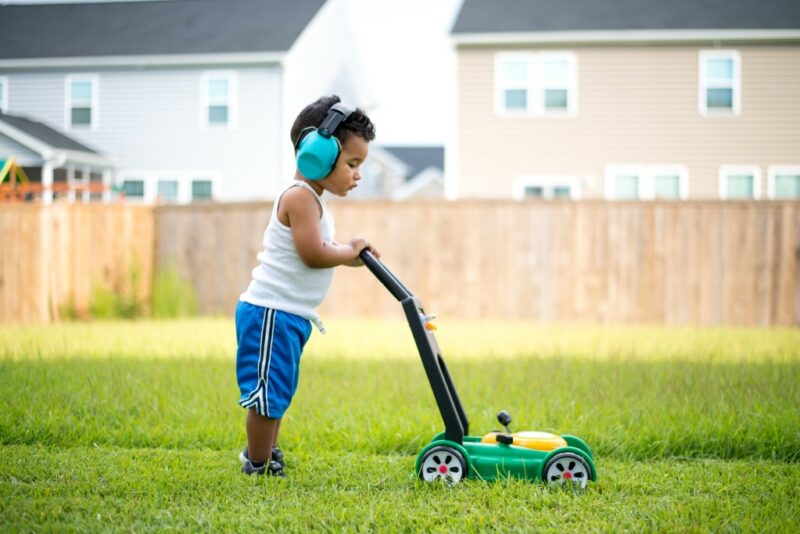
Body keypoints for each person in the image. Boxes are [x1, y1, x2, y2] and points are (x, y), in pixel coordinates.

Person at [235, 95, 379, 476]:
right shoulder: (299, 198)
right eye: (352, 163)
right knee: (267, 398)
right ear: (317, 153)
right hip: (271, 312)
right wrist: (346, 250)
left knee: (278, 392)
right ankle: (258, 462)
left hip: (289, 316)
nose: (357, 174)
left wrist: (349, 255)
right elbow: (313, 254)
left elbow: (320, 249)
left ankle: (265, 452)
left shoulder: (313, 200)